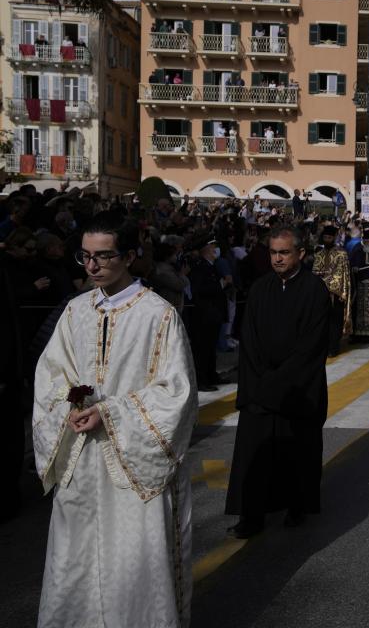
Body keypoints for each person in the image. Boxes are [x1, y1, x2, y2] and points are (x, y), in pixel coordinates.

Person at [33, 212, 197, 626]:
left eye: (103, 257)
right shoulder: (75, 312)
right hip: (83, 463)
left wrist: (109, 411)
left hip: (134, 466)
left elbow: (176, 394)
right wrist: (68, 404)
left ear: (129, 256)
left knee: (134, 562)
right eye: (85, 256)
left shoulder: (158, 316)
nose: (91, 267)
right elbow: (50, 376)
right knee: (76, 559)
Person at [225, 225, 330, 538]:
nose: (278, 259)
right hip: (260, 386)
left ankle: (296, 506)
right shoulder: (260, 288)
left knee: (297, 450)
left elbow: (312, 345)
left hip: (297, 388)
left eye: (284, 252)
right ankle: (251, 515)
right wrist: (261, 380)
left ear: (300, 253)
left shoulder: (314, 289)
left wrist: (280, 379)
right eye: (273, 252)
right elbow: (250, 338)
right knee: (254, 452)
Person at [187, 236, 227, 392]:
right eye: (212, 247)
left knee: (211, 348)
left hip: (213, 314)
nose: (215, 249)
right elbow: (200, 290)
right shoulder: (200, 267)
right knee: (202, 349)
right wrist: (221, 285)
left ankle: (211, 375)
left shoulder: (211, 266)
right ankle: (201, 380)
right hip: (204, 315)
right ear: (206, 249)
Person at [312, 225, 351, 356]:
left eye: (329, 237)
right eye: (325, 237)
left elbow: (342, 273)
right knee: (322, 322)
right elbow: (315, 271)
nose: (327, 240)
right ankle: (323, 347)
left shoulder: (342, 253)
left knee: (335, 322)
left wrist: (333, 286)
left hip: (336, 293)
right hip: (320, 293)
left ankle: (333, 347)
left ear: (334, 238)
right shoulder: (319, 253)